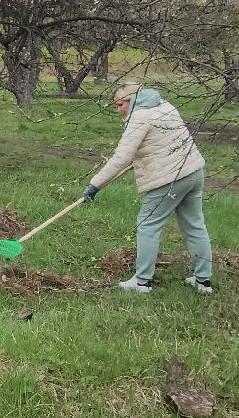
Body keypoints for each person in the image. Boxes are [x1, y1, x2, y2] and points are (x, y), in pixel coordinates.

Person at [81, 82, 214, 294]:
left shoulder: (139, 117)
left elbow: (121, 157)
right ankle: (203, 281)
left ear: (132, 99)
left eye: (120, 104)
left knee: (148, 225)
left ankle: (142, 282)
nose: (118, 110)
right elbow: (160, 142)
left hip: (170, 178)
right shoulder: (165, 106)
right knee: (195, 225)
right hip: (194, 172)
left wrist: (95, 185)